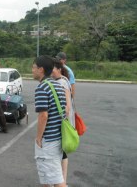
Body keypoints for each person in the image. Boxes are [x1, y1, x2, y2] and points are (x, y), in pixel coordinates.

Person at [32, 55, 67, 187]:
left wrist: (39, 138)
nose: (32, 70)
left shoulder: (42, 87)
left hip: (48, 141)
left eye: (34, 67)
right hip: (58, 138)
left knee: (57, 181)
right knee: (47, 177)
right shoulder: (56, 85)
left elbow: (43, 116)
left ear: (41, 69)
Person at [52, 58, 75, 186]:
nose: (51, 72)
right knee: (62, 152)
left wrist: (58, 119)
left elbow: (67, 107)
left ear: (59, 69)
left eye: (53, 69)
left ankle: (63, 182)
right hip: (64, 122)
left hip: (62, 123)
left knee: (61, 152)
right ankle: (61, 181)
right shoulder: (64, 80)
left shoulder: (61, 82)